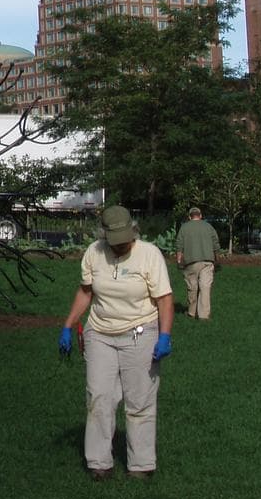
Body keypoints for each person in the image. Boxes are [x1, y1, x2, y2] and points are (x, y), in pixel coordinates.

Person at [59, 205, 173, 481]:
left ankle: (141, 464)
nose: (121, 245)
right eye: (115, 240)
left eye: (125, 239)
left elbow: (164, 299)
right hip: (100, 333)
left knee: (140, 400)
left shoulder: (149, 254)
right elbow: (86, 292)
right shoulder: (94, 253)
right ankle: (99, 462)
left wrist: (164, 335)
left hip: (140, 332)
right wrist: (68, 325)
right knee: (99, 396)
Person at [175, 205, 221, 320]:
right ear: (200, 216)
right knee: (205, 287)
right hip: (207, 261)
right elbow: (216, 244)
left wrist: (179, 260)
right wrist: (217, 259)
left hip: (191, 262)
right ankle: (204, 315)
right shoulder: (208, 227)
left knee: (192, 287)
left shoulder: (184, 227)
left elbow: (179, 245)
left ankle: (191, 312)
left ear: (189, 217)